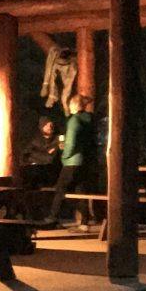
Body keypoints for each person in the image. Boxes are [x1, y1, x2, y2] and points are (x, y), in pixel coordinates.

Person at [43, 95, 96, 227]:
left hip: (72, 161)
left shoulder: (74, 121)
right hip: (85, 161)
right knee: (81, 190)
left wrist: (64, 156)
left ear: (74, 106)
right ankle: (84, 221)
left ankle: (52, 217)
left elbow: (71, 143)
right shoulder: (89, 119)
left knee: (60, 189)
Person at [21, 116, 62, 217]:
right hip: (37, 173)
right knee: (28, 182)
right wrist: (45, 155)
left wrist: (43, 155)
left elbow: (52, 158)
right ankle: (31, 214)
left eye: (51, 124)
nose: (50, 126)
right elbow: (26, 155)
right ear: (42, 126)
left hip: (52, 173)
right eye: (47, 125)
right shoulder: (36, 140)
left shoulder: (58, 139)